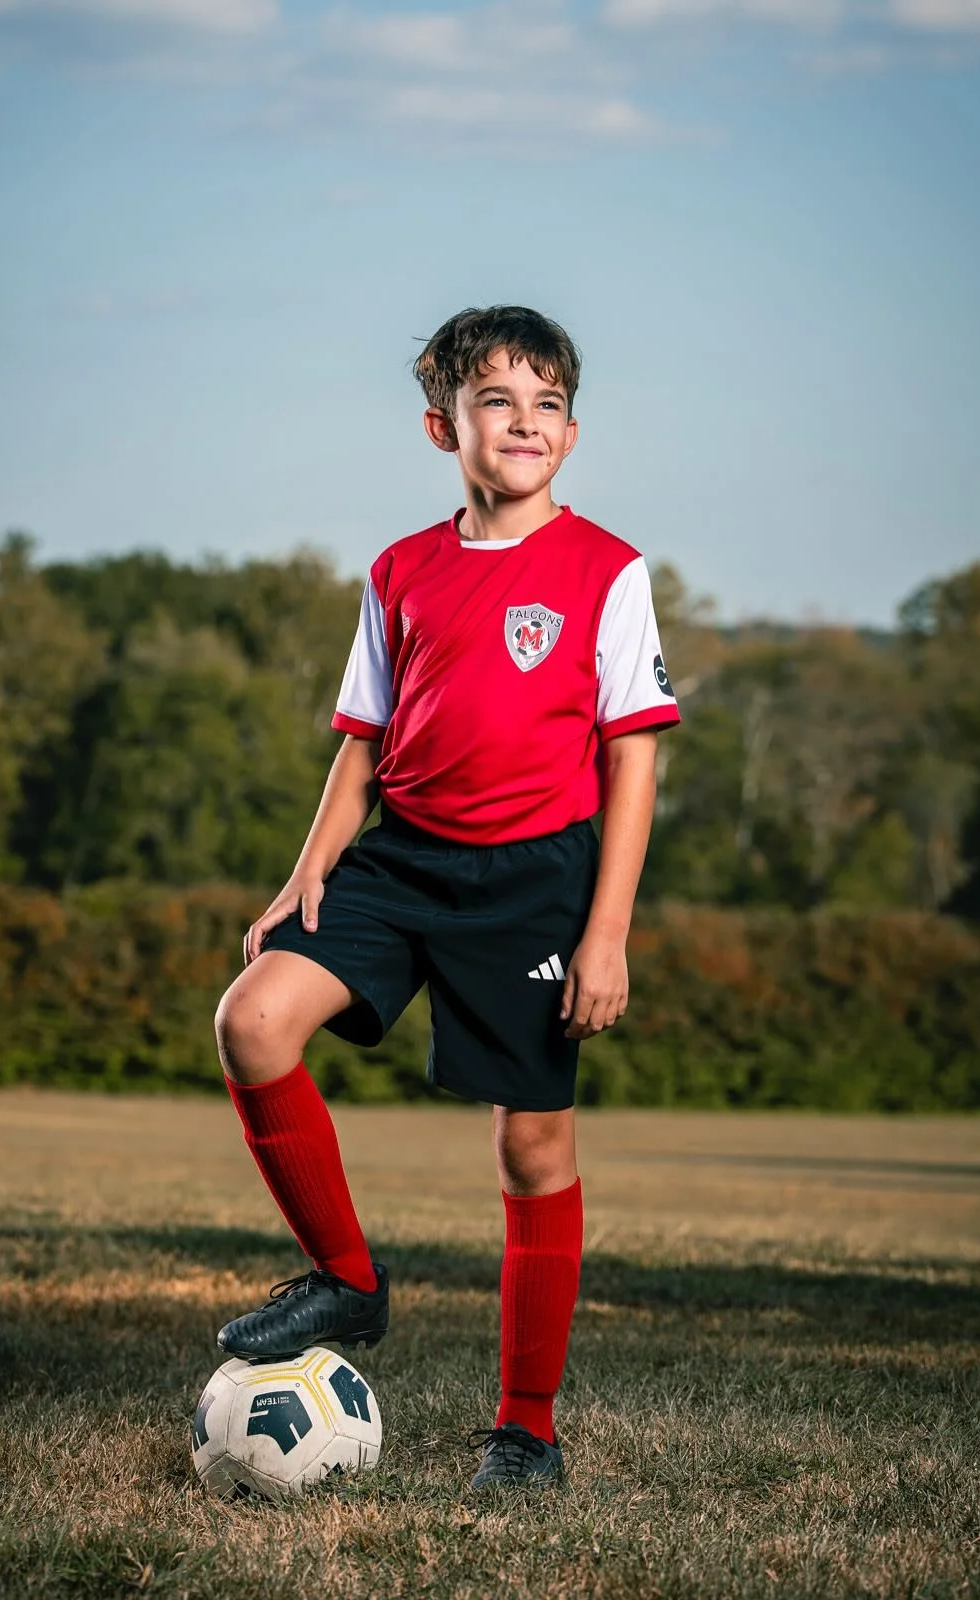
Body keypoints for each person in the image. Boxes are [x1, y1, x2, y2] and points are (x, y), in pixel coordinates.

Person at [213, 304, 680, 1489]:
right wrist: (308, 867)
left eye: (545, 405)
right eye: (495, 401)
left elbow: (634, 759)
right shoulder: (400, 569)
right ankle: (347, 1280)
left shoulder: (609, 572)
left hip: (537, 881)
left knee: (531, 1146)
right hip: (403, 857)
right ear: (443, 426)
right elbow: (362, 738)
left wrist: (607, 931)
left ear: (571, 435)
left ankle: (526, 1430)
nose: (523, 422)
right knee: (252, 1020)